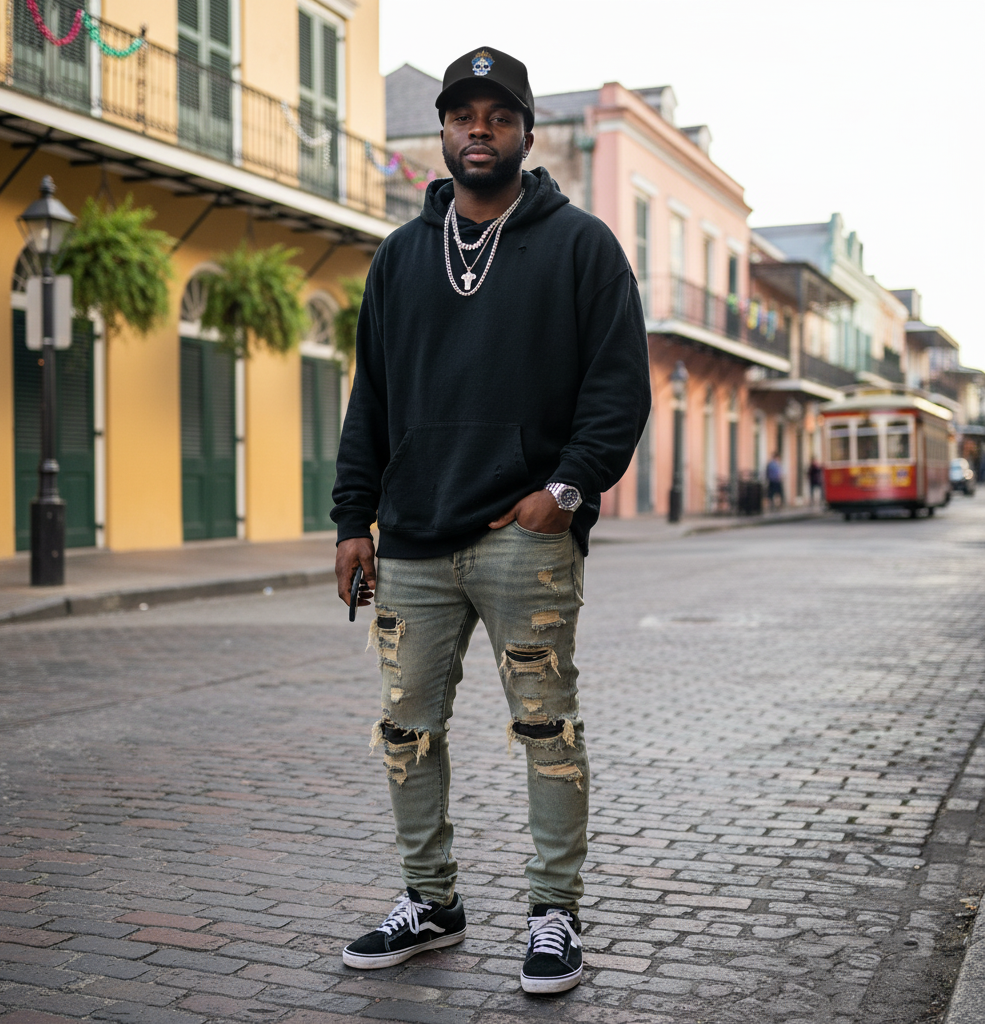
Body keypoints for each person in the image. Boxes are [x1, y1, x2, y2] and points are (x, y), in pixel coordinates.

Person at [330, 46, 650, 995]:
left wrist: (564, 494)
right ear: (443, 132)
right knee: (407, 728)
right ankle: (431, 901)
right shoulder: (399, 257)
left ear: (524, 132)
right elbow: (371, 401)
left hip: (523, 539)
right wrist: (355, 520)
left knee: (547, 727)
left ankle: (556, 915)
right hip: (415, 541)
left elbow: (618, 389)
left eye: (498, 116)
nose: (480, 130)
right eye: (464, 115)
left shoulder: (581, 244)